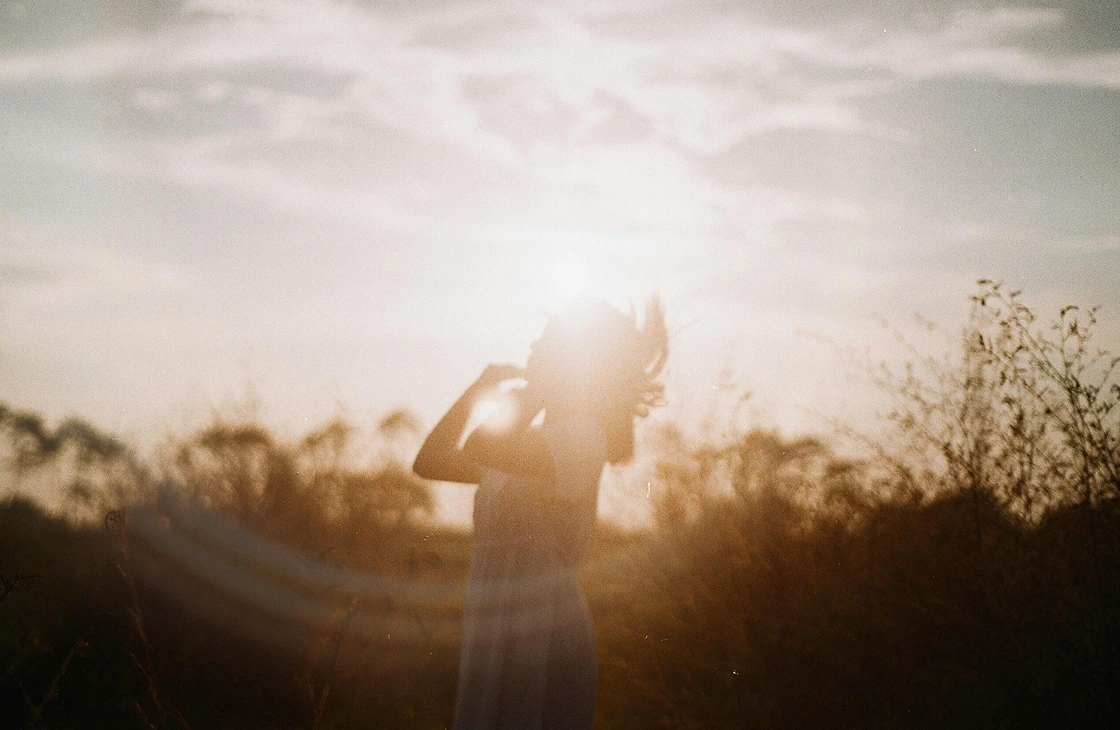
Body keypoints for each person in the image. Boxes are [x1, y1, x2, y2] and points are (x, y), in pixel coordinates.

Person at [413, 297, 668, 730]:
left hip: (544, 633)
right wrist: (478, 390)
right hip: (497, 626)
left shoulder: (582, 439)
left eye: (548, 341)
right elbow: (431, 462)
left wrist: (537, 390)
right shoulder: (533, 441)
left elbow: (483, 445)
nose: (533, 345)